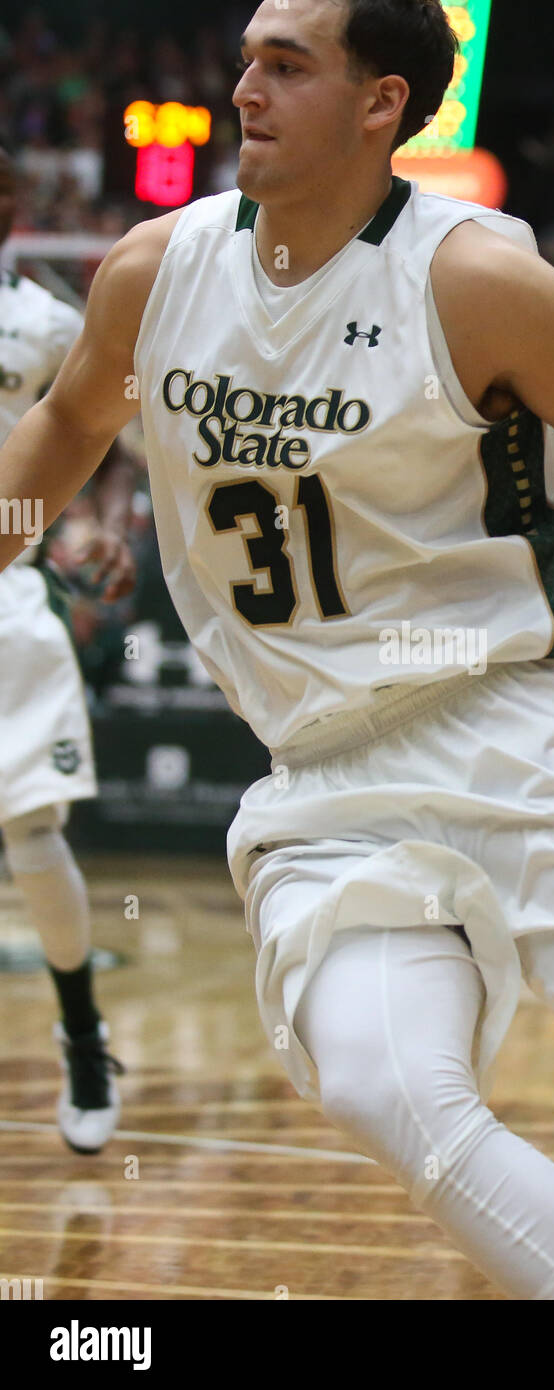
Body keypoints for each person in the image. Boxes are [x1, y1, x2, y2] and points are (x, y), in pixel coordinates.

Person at [1, 0, 554, 1298]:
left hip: (520, 730)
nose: (245, 88)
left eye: (286, 65)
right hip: (322, 771)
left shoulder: (476, 282)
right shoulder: (150, 275)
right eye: (246, 58)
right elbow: (60, 437)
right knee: (378, 1076)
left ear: (380, 102)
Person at [0, 143, 137, 1153]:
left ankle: (84, 1034)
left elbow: (83, 446)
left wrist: (82, 531)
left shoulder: (50, 326)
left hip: (7, 594)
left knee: (34, 837)